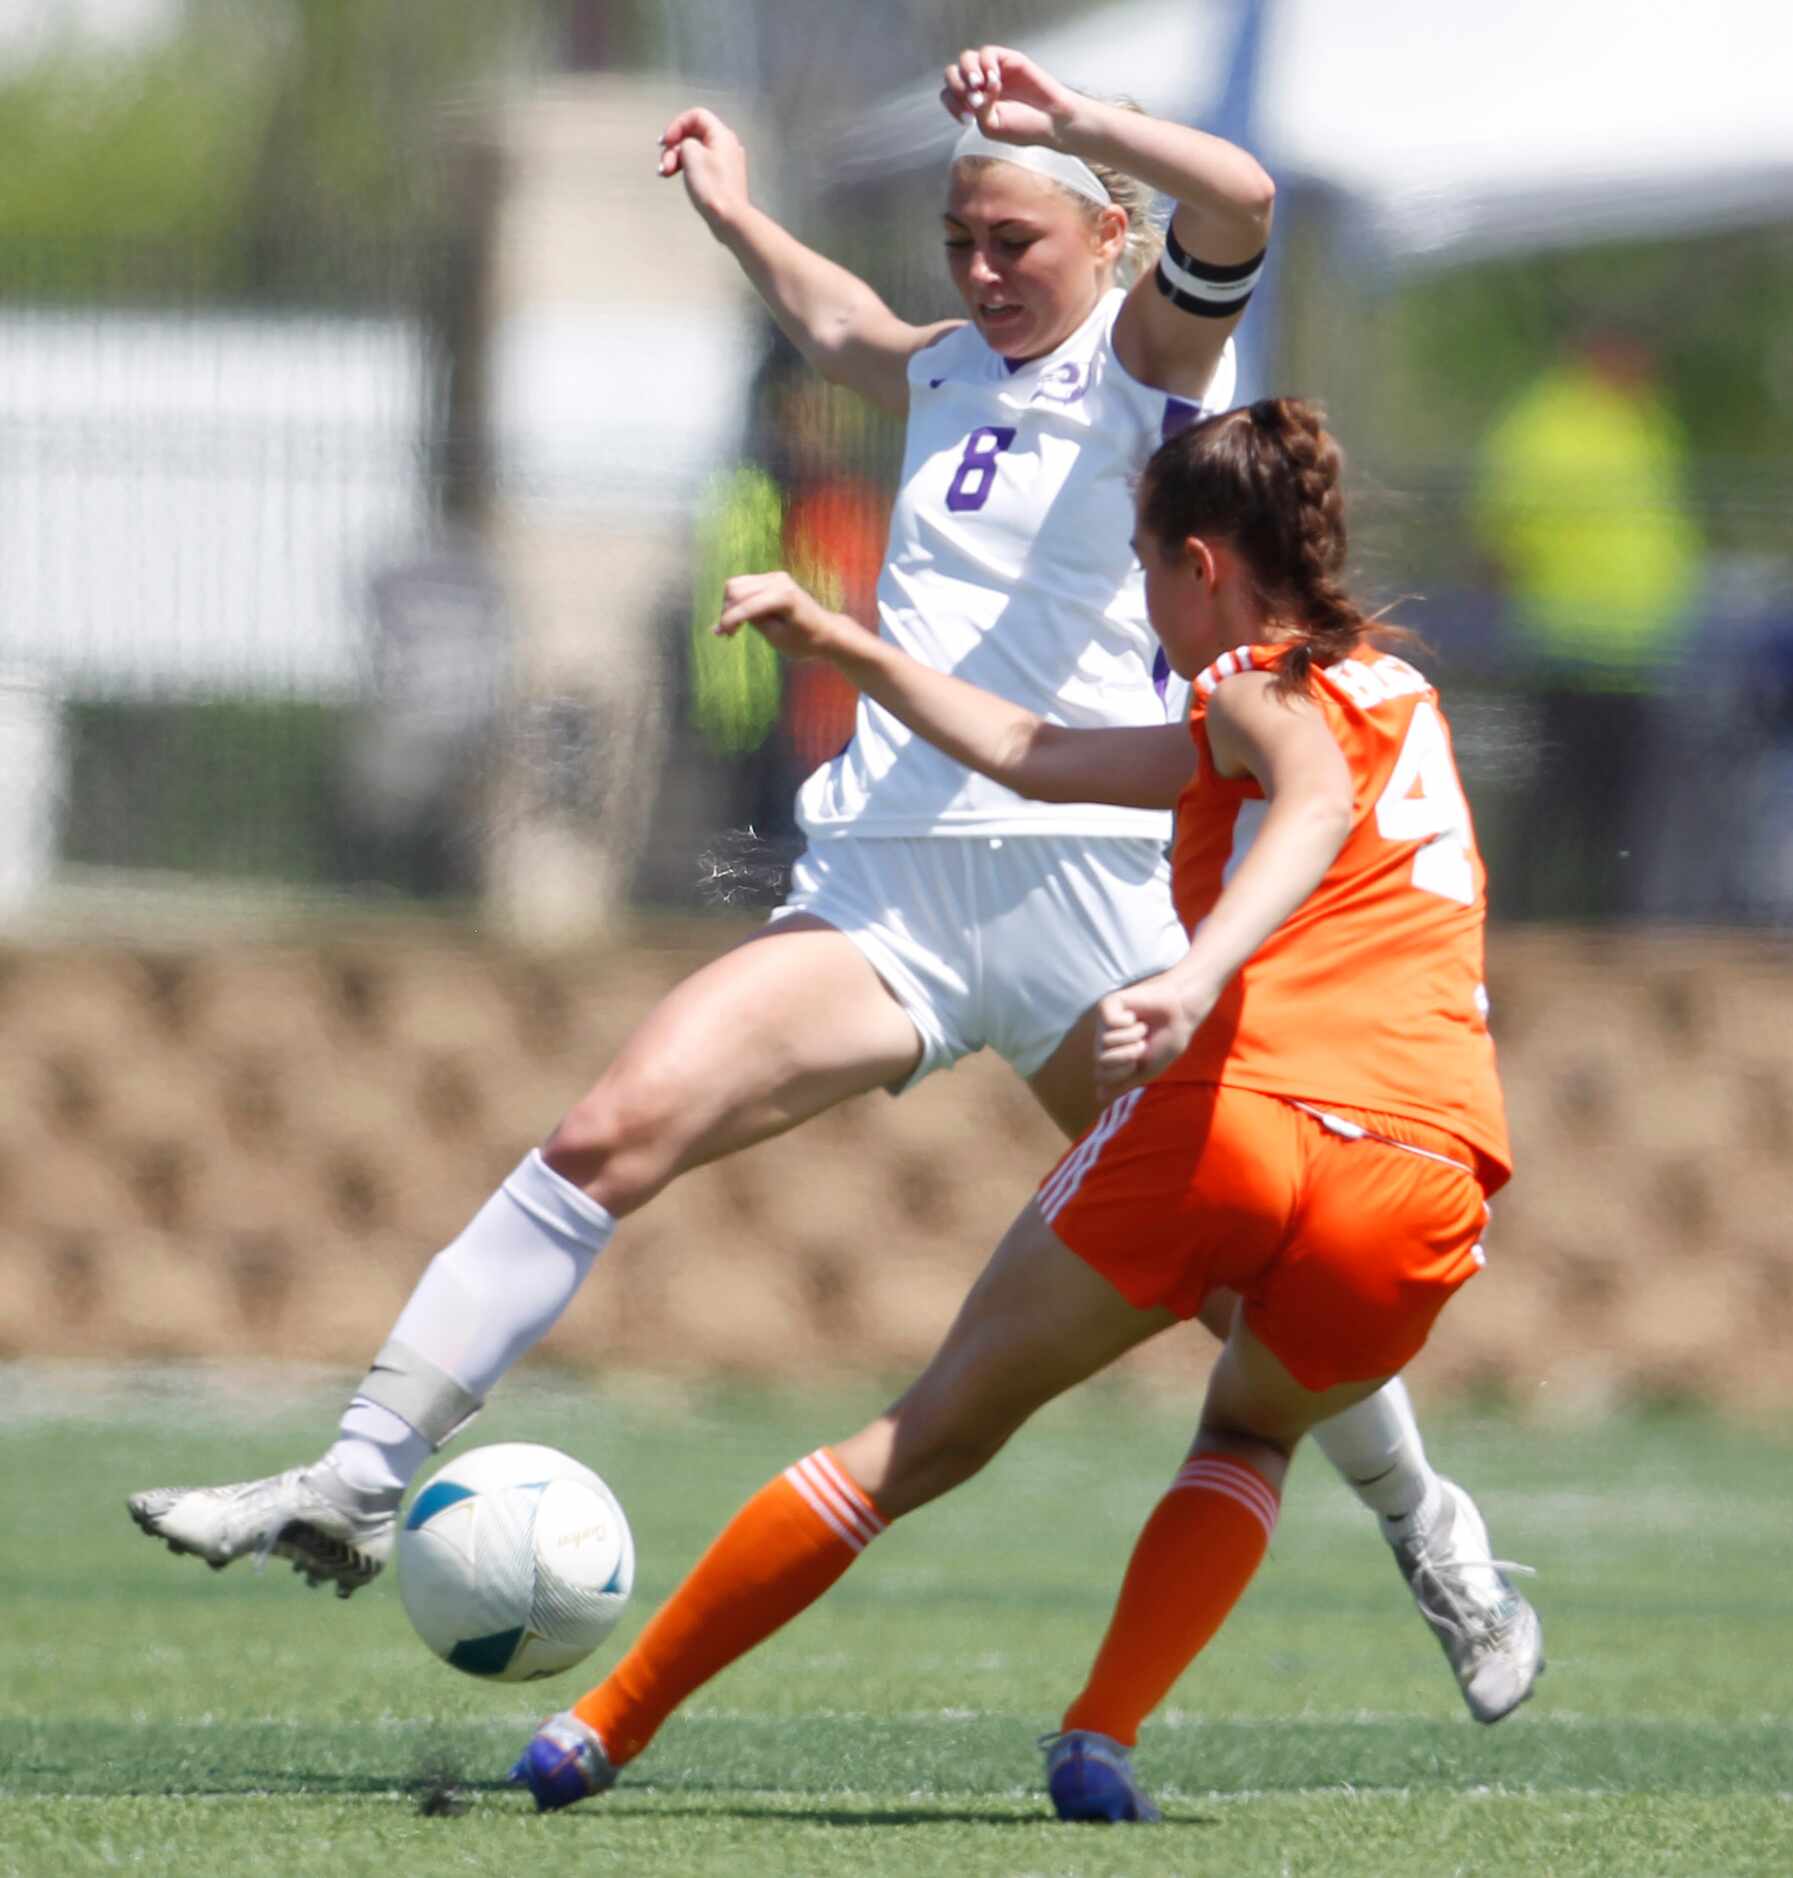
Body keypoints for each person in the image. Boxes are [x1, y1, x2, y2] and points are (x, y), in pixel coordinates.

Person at [126, 46, 1536, 1718]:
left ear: (1104, 237)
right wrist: (734, 215)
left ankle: (1427, 1523)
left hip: (1100, 895)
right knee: (607, 1131)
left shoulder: (1156, 365)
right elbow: (833, 325)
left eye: (1015, 238)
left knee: (1253, 1284)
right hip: (892, 891)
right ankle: (354, 1479)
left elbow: (1242, 201)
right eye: (959, 241)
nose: (982, 271)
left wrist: (1069, 116)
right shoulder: (944, 370)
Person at [511, 397, 1540, 1822]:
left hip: (1240, 1112)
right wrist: (858, 649)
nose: (1138, 600)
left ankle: (597, 1728)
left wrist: (1185, 978)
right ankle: (1098, 1737)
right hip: (1425, 1168)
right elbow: (1033, 752)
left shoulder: (1251, 684)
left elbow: (1304, 804)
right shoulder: (1396, 696)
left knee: (920, 1438)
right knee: (1247, 1435)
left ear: (1199, 562)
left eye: (1140, 564)